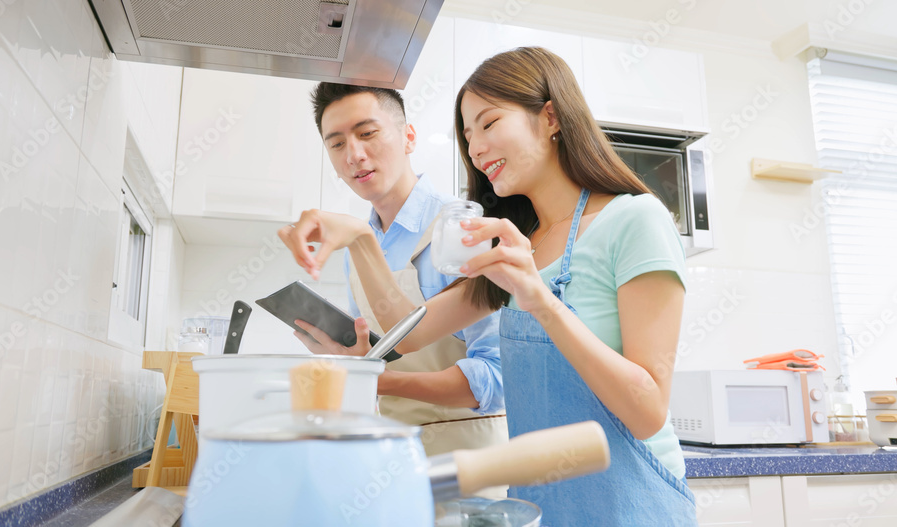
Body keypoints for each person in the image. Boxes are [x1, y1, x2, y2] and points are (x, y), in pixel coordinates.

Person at [281, 48, 698, 524]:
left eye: (488, 123)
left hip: (627, 499)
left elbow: (647, 413)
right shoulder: (517, 239)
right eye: (467, 133)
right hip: (538, 504)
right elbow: (409, 330)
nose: (475, 147)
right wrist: (359, 238)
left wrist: (539, 299)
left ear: (551, 117)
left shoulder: (635, 219)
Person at [280, 83, 508, 459]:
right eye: (336, 144)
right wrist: (352, 363)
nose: (354, 154)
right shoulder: (354, 249)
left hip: (471, 459)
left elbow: (497, 380)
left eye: (368, 133)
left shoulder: (462, 227)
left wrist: (376, 380)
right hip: (391, 454)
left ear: (408, 137)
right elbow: (374, 362)